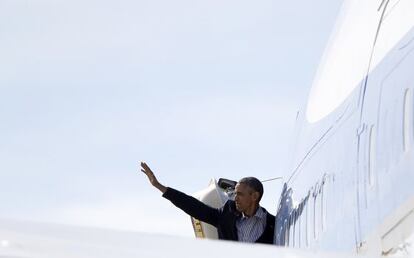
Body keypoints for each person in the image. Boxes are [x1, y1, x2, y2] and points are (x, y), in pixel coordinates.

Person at [140, 161, 275, 244]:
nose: (235, 198)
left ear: (254, 196)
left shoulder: (273, 224)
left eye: (239, 194)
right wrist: (160, 187)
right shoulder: (226, 214)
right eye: (234, 194)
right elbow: (194, 207)